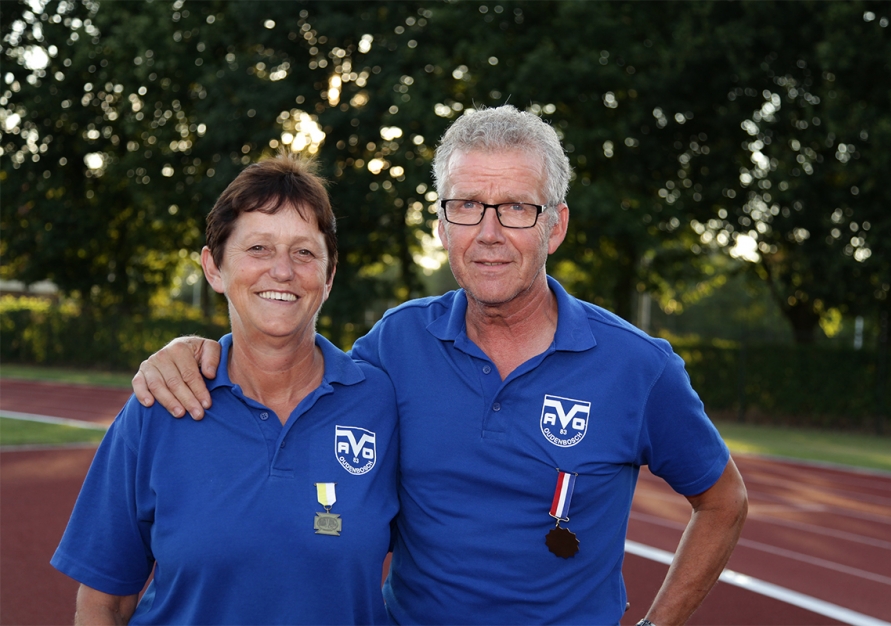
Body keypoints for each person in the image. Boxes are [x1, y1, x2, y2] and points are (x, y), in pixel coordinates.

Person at [133, 105, 748, 625]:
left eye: (516, 207)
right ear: (441, 225)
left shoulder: (638, 366)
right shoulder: (396, 344)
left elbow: (724, 502)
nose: (489, 232)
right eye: (467, 205)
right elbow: (300, 377)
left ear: (555, 226)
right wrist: (193, 350)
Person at [52, 154, 399, 625]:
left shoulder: (382, 402)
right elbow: (103, 604)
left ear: (329, 275)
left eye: (304, 252)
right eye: (258, 248)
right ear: (214, 268)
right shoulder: (160, 404)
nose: (282, 271)